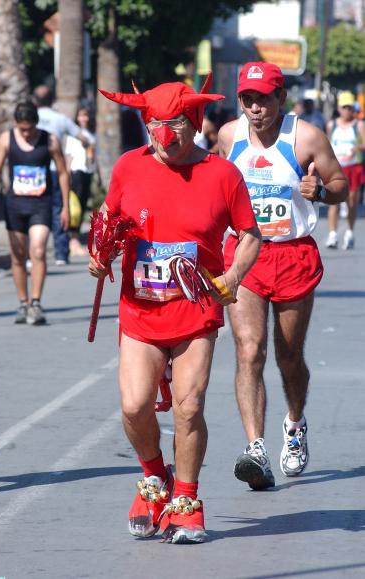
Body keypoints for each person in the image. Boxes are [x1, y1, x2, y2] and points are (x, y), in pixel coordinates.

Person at [89, 76, 261, 543]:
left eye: (177, 125)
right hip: (141, 311)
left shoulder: (223, 174)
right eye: (157, 125)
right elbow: (108, 221)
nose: (166, 136)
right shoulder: (129, 166)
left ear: (195, 124)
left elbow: (250, 236)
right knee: (133, 404)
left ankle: (186, 500)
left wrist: (231, 278)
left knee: (189, 407)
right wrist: (100, 253)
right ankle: (153, 477)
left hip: (196, 310)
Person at [218, 62, 348, 490]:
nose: (256, 109)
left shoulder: (305, 137)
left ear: (281, 99)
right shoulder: (228, 137)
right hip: (245, 254)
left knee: (288, 356)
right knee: (249, 348)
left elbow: (342, 184)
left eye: (265, 99)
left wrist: (322, 192)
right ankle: (255, 446)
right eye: (248, 100)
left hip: (293, 254)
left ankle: (294, 424)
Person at [0, 101, 70, 324]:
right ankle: (23, 302)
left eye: (30, 128)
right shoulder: (7, 139)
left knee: (39, 250)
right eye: (22, 129)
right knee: (18, 256)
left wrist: (66, 207)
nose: (26, 133)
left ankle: (36, 302)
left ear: (36, 124)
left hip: (41, 204)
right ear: (16, 124)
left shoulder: (49, 140)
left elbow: (62, 173)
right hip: (15, 205)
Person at [32, 85, 89, 265]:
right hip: (56, 169)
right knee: (59, 210)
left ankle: (32, 253)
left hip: (33, 171)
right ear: (52, 99)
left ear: (35, 100)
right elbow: (82, 137)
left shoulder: (30, 118)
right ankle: (61, 254)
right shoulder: (60, 119)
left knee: (32, 210)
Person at [325, 91, 365, 250]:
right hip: (336, 168)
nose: (347, 110)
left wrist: (356, 148)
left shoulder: (359, 125)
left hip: (353, 167)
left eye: (349, 107)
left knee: (351, 202)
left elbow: (364, 144)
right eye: (344, 107)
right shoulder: (331, 124)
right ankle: (332, 234)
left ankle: (349, 231)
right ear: (339, 108)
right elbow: (327, 144)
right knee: (333, 200)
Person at [65, 106, 97, 256]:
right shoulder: (74, 134)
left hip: (87, 171)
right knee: (74, 207)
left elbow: (93, 155)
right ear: (77, 118)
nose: (85, 118)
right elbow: (69, 155)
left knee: (82, 205)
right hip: (76, 171)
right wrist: (67, 174)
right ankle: (73, 240)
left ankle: (75, 239)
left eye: (86, 115)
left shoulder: (92, 134)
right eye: (81, 116)